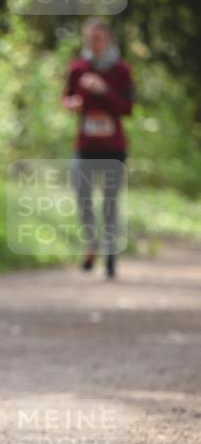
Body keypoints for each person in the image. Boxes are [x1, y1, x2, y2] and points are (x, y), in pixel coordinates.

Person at [62, 19, 134, 279]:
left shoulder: (121, 70)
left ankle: (111, 257)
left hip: (113, 147)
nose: (94, 43)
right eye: (90, 39)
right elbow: (67, 97)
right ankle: (91, 244)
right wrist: (72, 104)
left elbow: (127, 108)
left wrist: (104, 91)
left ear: (108, 40)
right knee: (83, 196)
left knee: (110, 202)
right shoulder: (78, 68)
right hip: (85, 145)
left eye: (99, 39)